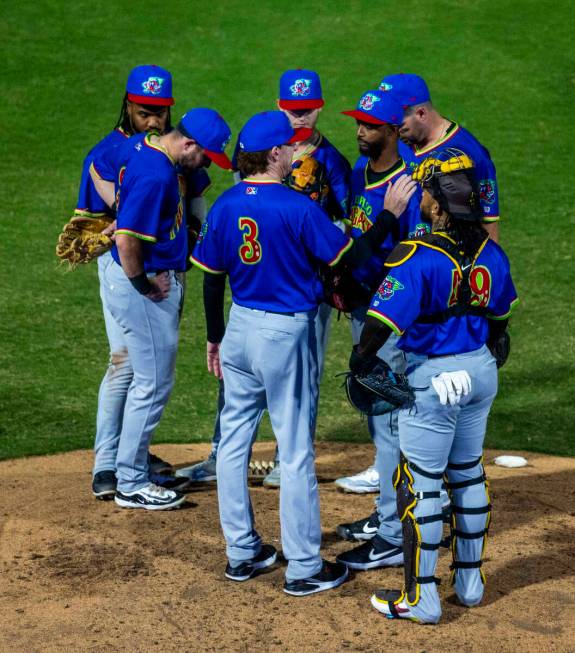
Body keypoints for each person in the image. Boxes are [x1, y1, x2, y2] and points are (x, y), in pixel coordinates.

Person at [190, 110, 416, 594]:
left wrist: (215, 336)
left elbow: (211, 280)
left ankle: (242, 552)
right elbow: (351, 257)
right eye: (290, 147)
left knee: (232, 443)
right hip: (283, 334)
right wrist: (389, 217)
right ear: (274, 155)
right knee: (293, 450)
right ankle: (305, 566)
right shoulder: (296, 208)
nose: (297, 152)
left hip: (239, 329)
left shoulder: (227, 204)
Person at [353, 149, 518, 623]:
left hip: (433, 378)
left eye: (426, 191)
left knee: (419, 484)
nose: (421, 198)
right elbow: (500, 325)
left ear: (438, 204)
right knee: (467, 472)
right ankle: (469, 583)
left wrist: (362, 361)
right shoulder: (493, 253)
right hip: (480, 373)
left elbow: (379, 324)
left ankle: (421, 599)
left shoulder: (416, 256)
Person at [177, 68, 353, 489]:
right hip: (255, 288)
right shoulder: (261, 145)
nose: (300, 119)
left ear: (319, 108)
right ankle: (224, 455)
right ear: (280, 108)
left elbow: (348, 222)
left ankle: (286, 461)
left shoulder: (332, 163)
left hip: (306, 290)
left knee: (302, 379)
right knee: (241, 383)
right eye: (292, 111)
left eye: (307, 111)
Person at [103, 108, 232, 510]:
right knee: (153, 382)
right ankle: (131, 481)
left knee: (147, 379)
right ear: (189, 144)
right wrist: (144, 284)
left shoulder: (142, 146)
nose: (207, 165)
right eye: (207, 156)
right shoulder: (158, 174)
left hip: (139, 277)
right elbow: (127, 240)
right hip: (144, 285)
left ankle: (131, 469)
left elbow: (102, 167)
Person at [334, 90, 430, 567]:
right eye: (358, 123)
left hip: (388, 320)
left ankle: (394, 534)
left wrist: (360, 269)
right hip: (361, 309)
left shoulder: (408, 184)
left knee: (391, 423)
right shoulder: (357, 173)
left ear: (394, 130)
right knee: (381, 422)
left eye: (370, 126)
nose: (360, 132)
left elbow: (412, 258)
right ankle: (392, 513)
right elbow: (358, 235)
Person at [81, 65, 184, 500]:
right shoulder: (105, 154)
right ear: (127, 104)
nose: (154, 120)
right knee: (126, 363)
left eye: (161, 112)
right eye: (145, 112)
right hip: (129, 271)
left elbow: (190, 191)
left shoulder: (170, 145)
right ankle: (113, 466)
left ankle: (125, 459)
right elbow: (108, 218)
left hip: (165, 268)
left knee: (133, 365)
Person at [379, 73, 500, 242]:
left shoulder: (469, 154)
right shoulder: (397, 142)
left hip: (443, 261)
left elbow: (489, 223)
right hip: (400, 259)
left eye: (398, 123)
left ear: (421, 113)